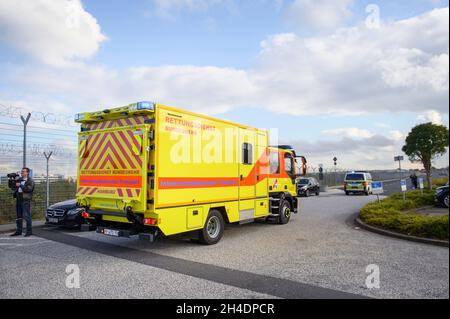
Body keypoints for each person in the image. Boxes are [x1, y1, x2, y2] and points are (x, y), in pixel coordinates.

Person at [10, 167, 35, 237]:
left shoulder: (30, 181)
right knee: (19, 216)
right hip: (18, 199)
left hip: (25, 200)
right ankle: (18, 231)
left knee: (27, 216)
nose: (22, 173)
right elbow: (13, 187)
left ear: (27, 173)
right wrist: (12, 181)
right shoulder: (19, 179)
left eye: (23, 171)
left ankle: (29, 232)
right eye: (21, 171)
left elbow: (28, 190)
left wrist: (20, 185)